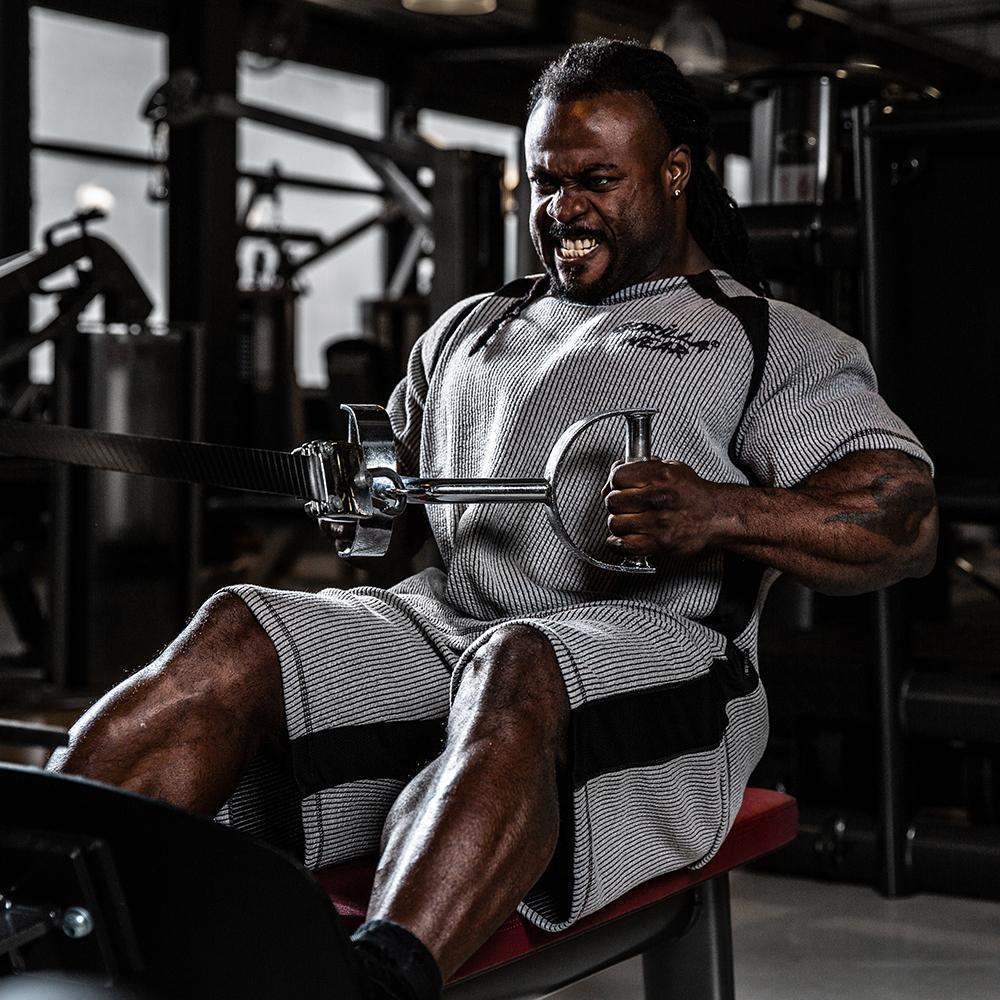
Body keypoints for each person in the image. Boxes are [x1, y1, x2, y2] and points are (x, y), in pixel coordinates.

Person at [47, 39, 937, 1000]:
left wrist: (722, 510)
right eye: (546, 182)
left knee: (517, 659)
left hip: (659, 654)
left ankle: (378, 986)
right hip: (448, 631)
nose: (564, 208)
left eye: (597, 180)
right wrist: (365, 495)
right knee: (237, 631)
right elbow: (394, 511)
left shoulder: (768, 339)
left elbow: (904, 521)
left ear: (676, 173)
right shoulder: (467, 330)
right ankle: (33, 907)